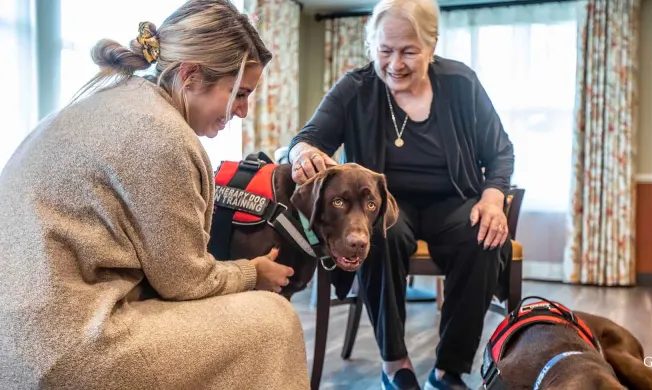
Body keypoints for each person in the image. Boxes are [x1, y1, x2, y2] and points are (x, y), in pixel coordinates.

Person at [0, 1, 309, 389]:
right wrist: (252, 273)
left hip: (17, 341)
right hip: (61, 351)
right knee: (272, 319)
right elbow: (184, 283)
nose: (244, 111)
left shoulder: (106, 100)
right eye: (239, 94)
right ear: (191, 75)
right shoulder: (162, 135)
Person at [288, 0, 515, 388]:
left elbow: (500, 153)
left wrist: (493, 198)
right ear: (372, 47)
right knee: (380, 234)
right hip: (380, 205)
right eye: (385, 51)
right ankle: (396, 365)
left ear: (431, 45)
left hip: (454, 198)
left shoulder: (461, 83)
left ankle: (448, 370)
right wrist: (303, 154)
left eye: (409, 51)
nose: (395, 64)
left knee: (481, 237)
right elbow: (304, 140)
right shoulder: (355, 88)